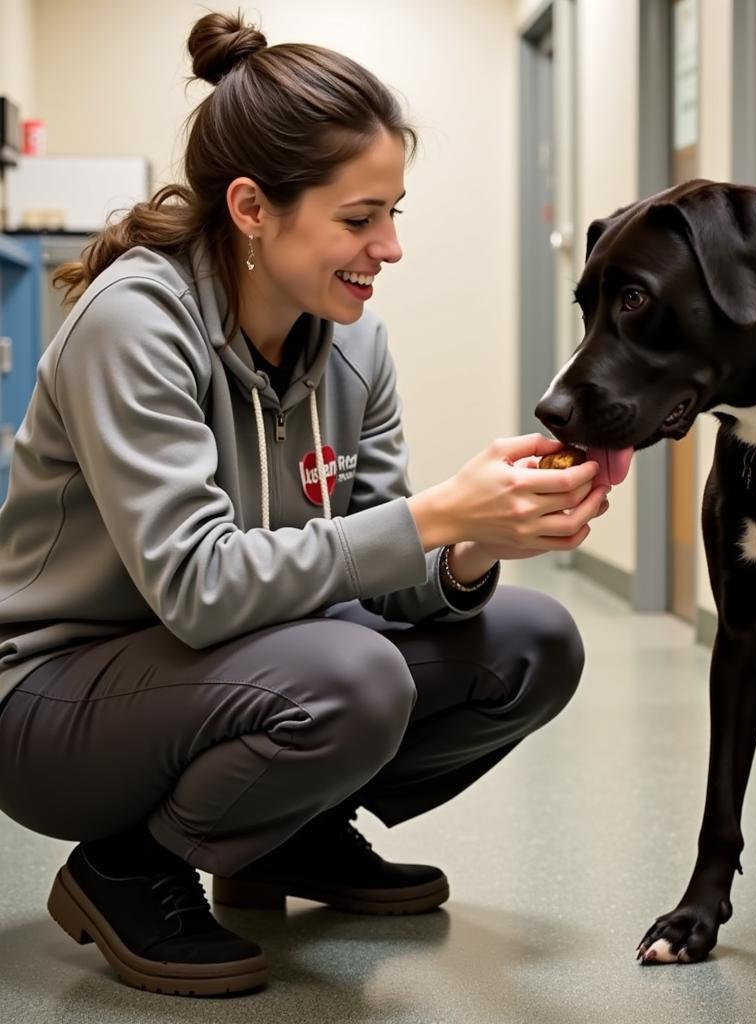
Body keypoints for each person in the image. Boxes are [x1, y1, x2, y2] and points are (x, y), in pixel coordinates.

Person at [0, 12, 609, 996]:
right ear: (251, 207)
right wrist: (434, 516)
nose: (391, 247)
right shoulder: (136, 323)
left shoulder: (353, 343)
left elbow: (385, 569)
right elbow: (195, 588)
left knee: (531, 642)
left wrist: (470, 544)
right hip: (52, 700)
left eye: (395, 212)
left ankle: (279, 835)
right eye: (361, 217)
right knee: (351, 675)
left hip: (238, 667)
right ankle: (127, 866)